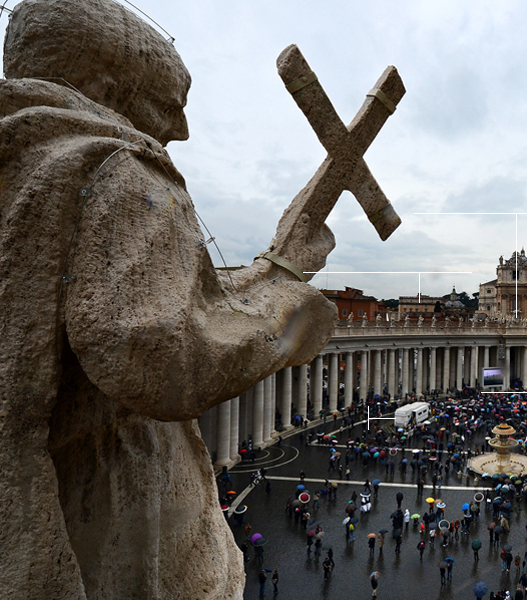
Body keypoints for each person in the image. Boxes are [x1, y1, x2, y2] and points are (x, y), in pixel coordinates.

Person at [0, 0, 341, 597]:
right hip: (111, 517)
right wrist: (288, 303)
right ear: (103, 85)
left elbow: (182, 301)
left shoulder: (22, 159)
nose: (178, 132)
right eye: (165, 108)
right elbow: (164, 351)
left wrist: (274, 266)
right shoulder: (112, 167)